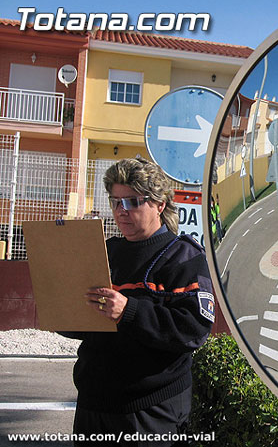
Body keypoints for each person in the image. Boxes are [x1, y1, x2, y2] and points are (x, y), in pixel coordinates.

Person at [62, 158, 214, 445]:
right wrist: (60, 307)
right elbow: (84, 325)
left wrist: (128, 311)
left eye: (133, 201)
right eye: (116, 201)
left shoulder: (183, 257)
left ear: (159, 204)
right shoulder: (104, 252)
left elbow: (193, 329)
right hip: (93, 405)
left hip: (150, 413)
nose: (122, 211)